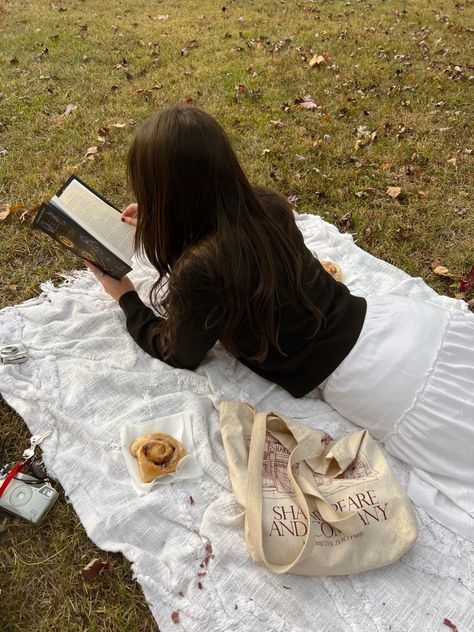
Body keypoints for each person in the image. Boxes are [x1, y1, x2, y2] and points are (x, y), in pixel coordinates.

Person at [85, 104, 474, 540]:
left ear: (165, 193)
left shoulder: (201, 269)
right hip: (399, 325)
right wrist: (163, 217)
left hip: (375, 378)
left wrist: (125, 297)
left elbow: (178, 351)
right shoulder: (266, 205)